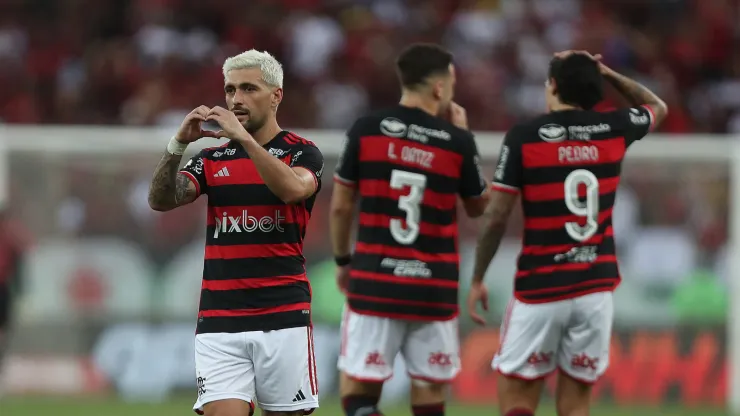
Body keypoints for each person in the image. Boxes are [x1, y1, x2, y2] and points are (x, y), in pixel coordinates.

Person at [467, 50, 668, 416]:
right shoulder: (614, 127)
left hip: (540, 288)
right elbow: (657, 106)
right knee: (576, 404)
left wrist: (479, 276)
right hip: (594, 289)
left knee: (516, 399)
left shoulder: (525, 138)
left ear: (554, 86)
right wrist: (607, 73)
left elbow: (496, 217)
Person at [147, 49, 324, 416]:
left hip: (283, 317)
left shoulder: (302, 153)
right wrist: (178, 145)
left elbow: (293, 189)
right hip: (220, 320)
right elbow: (161, 200)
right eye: (230, 90)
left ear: (276, 96)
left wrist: (245, 139)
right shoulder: (212, 159)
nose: (236, 99)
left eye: (248, 88)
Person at [330, 43, 490, 416]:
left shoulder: (367, 129)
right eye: (451, 81)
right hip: (433, 287)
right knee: (429, 394)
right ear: (438, 88)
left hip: (374, 280)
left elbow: (340, 205)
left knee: (358, 393)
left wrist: (342, 260)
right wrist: (466, 137)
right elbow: (478, 206)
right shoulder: (456, 141)